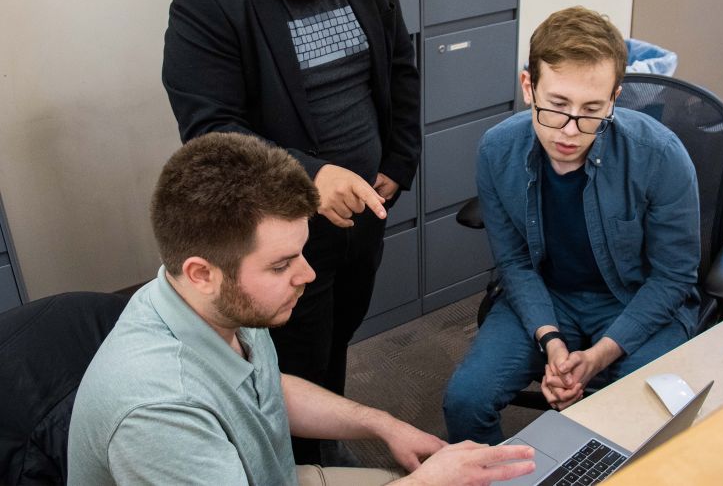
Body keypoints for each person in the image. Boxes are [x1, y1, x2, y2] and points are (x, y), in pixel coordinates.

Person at [67, 133, 534, 486]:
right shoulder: (159, 416)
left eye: (300, 253)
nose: (306, 275)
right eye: (281, 265)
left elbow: (266, 388)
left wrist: (383, 425)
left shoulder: (213, 303)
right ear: (202, 273)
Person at [162, 0, 420, 462]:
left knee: (337, 340)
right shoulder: (208, 1)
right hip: (281, 237)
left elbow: (398, 62)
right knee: (289, 361)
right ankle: (299, 463)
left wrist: (397, 159)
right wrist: (311, 176)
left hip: (362, 214)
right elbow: (211, 133)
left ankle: (322, 443)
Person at [443, 6, 701, 444]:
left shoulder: (660, 155)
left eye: (591, 110)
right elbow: (514, 263)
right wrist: (552, 340)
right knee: (465, 400)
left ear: (615, 98)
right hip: (549, 294)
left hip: (635, 298)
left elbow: (673, 276)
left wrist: (599, 356)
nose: (569, 131)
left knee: (646, 417)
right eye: (557, 106)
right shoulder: (497, 150)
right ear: (528, 86)